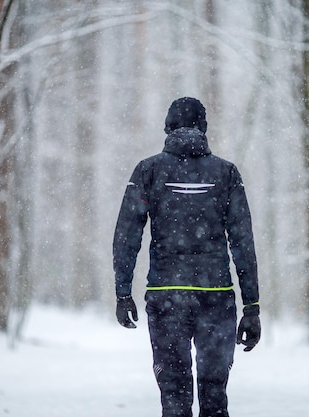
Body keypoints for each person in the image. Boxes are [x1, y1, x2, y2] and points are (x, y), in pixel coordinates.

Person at [113, 97, 261, 417]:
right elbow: (243, 244)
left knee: (174, 399)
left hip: (166, 296)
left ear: (167, 128)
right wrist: (252, 306)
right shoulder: (226, 174)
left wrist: (123, 291)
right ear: (204, 128)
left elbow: (127, 236)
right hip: (217, 297)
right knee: (214, 398)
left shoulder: (148, 171)